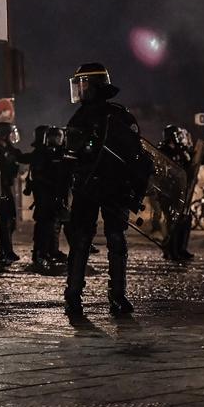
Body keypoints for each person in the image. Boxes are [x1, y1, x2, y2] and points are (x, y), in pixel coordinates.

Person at [63, 63, 150, 320]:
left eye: (84, 85)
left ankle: (74, 298)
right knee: (115, 242)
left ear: (94, 86)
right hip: (115, 189)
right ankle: (118, 298)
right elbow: (140, 159)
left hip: (90, 188)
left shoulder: (80, 118)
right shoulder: (121, 115)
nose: (80, 90)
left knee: (81, 242)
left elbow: (70, 159)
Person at [26, 125, 71, 271]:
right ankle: (41, 253)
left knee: (53, 225)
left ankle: (50, 251)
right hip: (45, 196)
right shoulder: (43, 154)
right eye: (55, 136)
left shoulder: (59, 154)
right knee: (45, 225)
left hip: (54, 195)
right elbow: (39, 175)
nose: (57, 139)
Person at [0, 122, 29, 266]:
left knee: (11, 220)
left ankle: (2, 250)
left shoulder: (11, 150)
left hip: (7, 187)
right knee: (6, 220)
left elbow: (23, 158)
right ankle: (6, 251)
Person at [157, 124, 195, 261]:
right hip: (168, 192)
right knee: (172, 222)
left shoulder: (181, 150)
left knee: (185, 220)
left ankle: (181, 248)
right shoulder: (163, 150)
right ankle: (171, 250)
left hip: (182, 191)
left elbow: (189, 166)